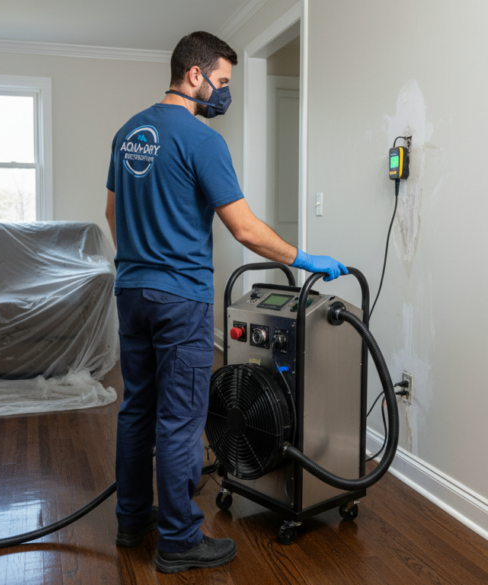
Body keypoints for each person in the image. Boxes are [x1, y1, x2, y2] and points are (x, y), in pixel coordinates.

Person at [104, 31, 346, 574]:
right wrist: (305, 259)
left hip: (130, 290)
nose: (223, 93)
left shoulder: (128, 133)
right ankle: (180, 541)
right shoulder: (200, 139)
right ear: (195, 74)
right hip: (179, 297)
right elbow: (244, 229)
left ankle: (130, 520)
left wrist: (139, 262)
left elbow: (111, 213)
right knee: (181, 417)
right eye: (223, 81)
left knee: (136, 407)